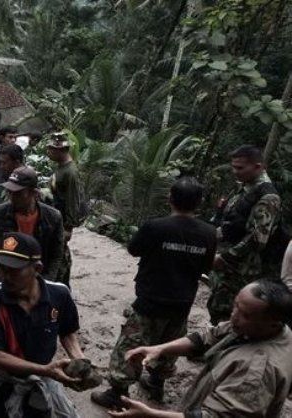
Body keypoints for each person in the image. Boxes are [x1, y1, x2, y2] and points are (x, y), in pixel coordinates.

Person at [90, 177, 217, 408]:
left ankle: (117, 392)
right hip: (182, 302)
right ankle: (156, 383)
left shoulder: (155, 227)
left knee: (131, 345)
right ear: (199, 203)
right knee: (170, 344)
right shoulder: (209, 233)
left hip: (151, 299)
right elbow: (207, 267)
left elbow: (133, 249)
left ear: (170, 198)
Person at [109, 280, 292, 417]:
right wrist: (159, 349)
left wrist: (150, 414)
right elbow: (205, 339)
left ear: (273, 324)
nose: (234, 316)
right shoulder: (259, 328)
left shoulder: (255, 372)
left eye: (244, 314)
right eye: (236, 305)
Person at [0, 233, 84, 418]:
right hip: (2, 382)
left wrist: (79, 362)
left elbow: (68, 333)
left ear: (37, 268)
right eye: (1, 268)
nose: (5, 276)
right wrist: (46, 370)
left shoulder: (59, 294)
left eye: (14, 270)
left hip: (44, 380)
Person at [208, 145, 282, 324]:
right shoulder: (246, 188)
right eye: (233, 167)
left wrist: (225, 258)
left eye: (240, 168)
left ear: (258, 167)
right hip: (230, 267)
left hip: (243, 270)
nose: (235, 172)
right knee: (218, 310)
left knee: (231, 316)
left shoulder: (268, 197)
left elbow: (257, 239)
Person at [0, 166, 64, 284]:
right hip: (5, 281)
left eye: (18, 193)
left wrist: (46, 283)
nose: (12, 197)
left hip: (38, 280)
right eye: (10, 192)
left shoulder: (53, 218)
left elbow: (56, 255)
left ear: (33, 193)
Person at [46, 133, 87, 287]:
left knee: (60, 258)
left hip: (63, 220)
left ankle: (62, 287)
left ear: (62, 150)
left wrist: (68, 228)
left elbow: (73, 200)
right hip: (57, 216)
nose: (49, 152)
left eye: (52, 149)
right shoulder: (61, 167)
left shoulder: (70, 173)